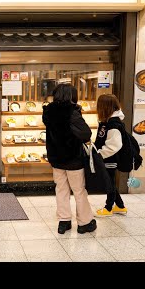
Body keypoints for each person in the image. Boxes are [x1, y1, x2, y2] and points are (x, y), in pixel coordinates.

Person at [42, 84, 97, 234]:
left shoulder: (48, 111)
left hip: (55, 158)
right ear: (71, 95)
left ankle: (64, 221)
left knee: (61, 190)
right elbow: (86, 133)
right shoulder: (72, 112)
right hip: (73, 158)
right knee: (79, 190)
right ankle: (84, 223)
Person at [94, 94, 128, 217]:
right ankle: (120, 206)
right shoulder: (107, 121)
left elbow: (114, 145)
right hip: (105, 157)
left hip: (109, 158)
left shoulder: (114, 124)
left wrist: (99, 154)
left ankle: (108, 208)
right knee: (110, 182)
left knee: (109, 183)